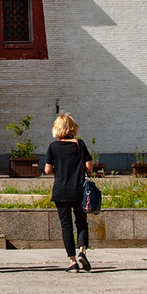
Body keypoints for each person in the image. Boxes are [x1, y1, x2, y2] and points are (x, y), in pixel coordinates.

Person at [43, 113, 92, 272]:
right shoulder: (79, 144)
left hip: (61, 191)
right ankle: (82, 252)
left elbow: (48, 170)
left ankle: (72, 262)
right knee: (81, 221)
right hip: (78, 190)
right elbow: (89, 166)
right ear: (72, 128)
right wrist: (78, 170)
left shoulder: (53, 147)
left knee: (66, 226)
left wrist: (61, 169)